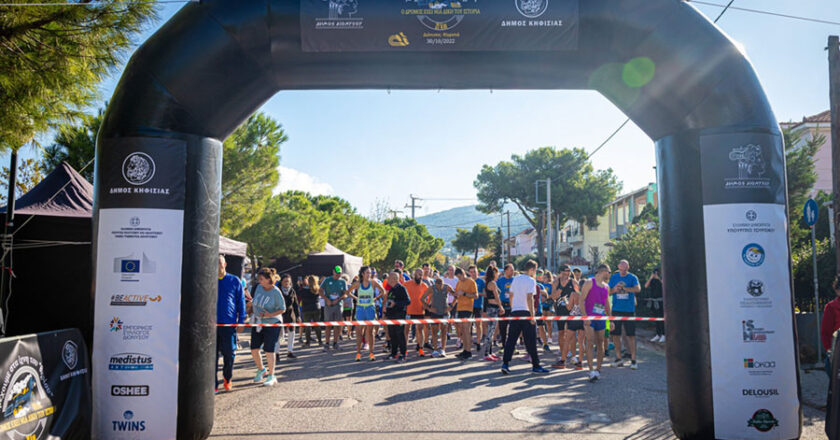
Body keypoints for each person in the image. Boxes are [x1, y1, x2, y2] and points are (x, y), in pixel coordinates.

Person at [500, 260, 549, 374]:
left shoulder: (516, 279)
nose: (535, 273)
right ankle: (536, 366)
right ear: (531, 269)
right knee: (530, 340)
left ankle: (505, 363)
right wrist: (532, 316)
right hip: (526, 312)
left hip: (515, 312)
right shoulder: (531, 280)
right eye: (535, 271)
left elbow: (511, 295)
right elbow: (530, 298)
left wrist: (513, 308)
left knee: (511, 340)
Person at [250, 268, 286, 386]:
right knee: (254, 348)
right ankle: (261, 369)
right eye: (258, 279)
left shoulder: (276, 292)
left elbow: (283, 309)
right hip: (258, 321)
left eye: (261, 279)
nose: (259, 281)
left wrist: (269, 314)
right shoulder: (259, 288)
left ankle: (272, 375)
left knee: (269, 349)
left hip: (272, 322)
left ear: (269, 279)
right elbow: (255, 301)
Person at [216, 255, 246, 393]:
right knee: (212, 356)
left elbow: (241, 302)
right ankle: (213, 382)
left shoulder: (234, 280)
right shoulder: (208, 279)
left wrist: (241, 321)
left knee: (229, 353)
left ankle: (227, 378)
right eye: (215, 263)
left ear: (225, 264)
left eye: (220, 263)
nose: (218, 266)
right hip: (211, 325)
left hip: (228, 325)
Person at [347, 266, 387, 361]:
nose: (369, 274)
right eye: (367, 273)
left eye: (370, 273)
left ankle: (371, 353)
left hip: (370, 308)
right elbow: (348, 292)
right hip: (360, 309)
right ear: (362, 274)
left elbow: (383, 291)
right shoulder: (357, 284)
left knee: (370, 332)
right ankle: (358, 353)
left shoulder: (373, 283)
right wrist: (356, 298)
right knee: (359, 332)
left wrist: (376, 299)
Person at [582, 264, 612, 382]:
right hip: (590, 317)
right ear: (603, 271)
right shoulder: (589, 282)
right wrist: (585, 317)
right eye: (609, 272)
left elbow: (607, 304)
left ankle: (598, 370)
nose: (609, 274)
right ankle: (590, 370)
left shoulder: (606, 286)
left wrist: (610, 319)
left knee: (601, 343)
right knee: (590, 342)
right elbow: (581, 300)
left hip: (601, 318)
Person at [609, 260, 640, 369]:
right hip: (616, 309)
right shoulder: (614, 277)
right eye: (622, 268)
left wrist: (625, 288)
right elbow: (608, 291)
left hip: (629, 310)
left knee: (630, 335)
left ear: (628, 268)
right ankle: (618, 358)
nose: (623, 270)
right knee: (615, 334)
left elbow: (638, 289)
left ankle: (634, 359)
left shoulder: (632, 277)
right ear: (618, 267)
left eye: (625, 268)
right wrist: (614, 289)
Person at [551, 265, 582, 369]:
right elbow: (553, 297)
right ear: (561, 272)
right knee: (561, 333)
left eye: (569, 271)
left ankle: (573, 356)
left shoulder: (573, 282)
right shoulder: (556, 282)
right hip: (560, 310)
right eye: (566, 270)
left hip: (571, 311)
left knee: (572, 334)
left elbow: (579, 295)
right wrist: (560, 288)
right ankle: (563, 353)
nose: (568, 272)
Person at [422, 277, 454, 357]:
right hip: (435, 312)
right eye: (437, 286)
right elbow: (422, 298)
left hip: (444, 312)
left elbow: (456, 296)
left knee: (444, 331)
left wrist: (451, 306)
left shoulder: (447, 287)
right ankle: (435, 349)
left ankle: (443, 349)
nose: (439, 287)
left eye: (440, 286)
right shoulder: (432, 288)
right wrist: (429, 307)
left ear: (443, 284)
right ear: (435, 284)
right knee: (434, 331)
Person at [384, 270, 411, 362]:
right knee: (392, 334)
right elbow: (389, 300)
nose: (387, 279)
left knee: (400, 334)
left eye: (389, 278)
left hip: (399, 315)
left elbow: (408, 301)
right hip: (391, 315)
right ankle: (393, 353)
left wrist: (396, 303)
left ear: (395, 279)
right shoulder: (391, 289)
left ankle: (403, 353)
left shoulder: (401, 288)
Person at [320, 266, 349, 351]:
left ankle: (335, 343)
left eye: (339, 274)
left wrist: (338, 299)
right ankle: (327, 343)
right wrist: (327, 299)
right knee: (328, 325)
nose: (338, 276)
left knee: (337, 325)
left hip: (338, 305)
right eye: (337, 274)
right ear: (333, 272)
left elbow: (345, 294)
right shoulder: (327, 280)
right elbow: (320, 290)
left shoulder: (342, 281)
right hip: (328, 305)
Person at [404, 268, 430, 356]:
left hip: (420, 311)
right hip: (409, 311)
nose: (420, 276)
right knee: (406, 330)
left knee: (420, 329)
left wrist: (426, 305)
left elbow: (430, 296)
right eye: (419, 274)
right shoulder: (407, 284)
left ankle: (420, 348)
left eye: (422, 274)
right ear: (414, 274)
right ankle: (405, 349)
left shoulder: (424, 285)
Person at [453, 267, 478, 360]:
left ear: (464, 273)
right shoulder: (459, 282)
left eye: (461, 276)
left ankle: (468, 351)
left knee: (467, 330)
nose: (460, 279)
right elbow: (456, 293)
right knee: (462, 330)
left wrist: (464, 294)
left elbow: (476, 295)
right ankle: (465, 350)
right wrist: (455, 294)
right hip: (460, 308)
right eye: (458, 277)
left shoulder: (471, 282)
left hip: (468, 309)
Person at [480, 265, 503, 361]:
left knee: (492, 331)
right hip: (493, 308)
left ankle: (489, 351)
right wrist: (501, 306)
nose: (498, 274)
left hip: (491, 308)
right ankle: (486, 353)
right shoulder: (492, 283)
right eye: (497, 273)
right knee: (490, 331)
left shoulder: (488, 283)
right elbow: (496, 297)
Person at [277, 274, 300, 359]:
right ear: (281, 282)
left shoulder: (292, 291)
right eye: (285, 281)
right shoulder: (277, 291)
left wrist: (298, 316)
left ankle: (290, 351)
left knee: (291, 334)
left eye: (288, 281)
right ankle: (276, 353)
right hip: (279, 315)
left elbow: (296, 304)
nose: (287, 283)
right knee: (279, 335)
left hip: (291, 315)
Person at [821, 275, 840, 376]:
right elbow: (825, 333)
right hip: (837, 355)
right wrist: (830, 353)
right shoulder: (831, 308)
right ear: (837, 290)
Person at [300, 275, 323, 347]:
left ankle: (308, 342)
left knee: (307, 326)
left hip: (306, 309)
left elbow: (300, 295)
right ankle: (320, 341)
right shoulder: (317, 289)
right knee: (317, 325)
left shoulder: (303, 290)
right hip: (316, 308)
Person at [496, 264, 515, 347]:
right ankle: (503, 345)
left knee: (513, 327)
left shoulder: (515, 280)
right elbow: (495, 292)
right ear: (506, 271)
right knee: (502, 327)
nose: (512, 272)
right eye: (511, 270)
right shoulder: (499, 281)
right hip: (503, 305)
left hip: (513, 305)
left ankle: (512, 345)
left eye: (513, 270)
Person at [644, 268, 665, 343]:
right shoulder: (652, 280)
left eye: (656, 272)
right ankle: (658, 334)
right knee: (655, 318)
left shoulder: (662, 278)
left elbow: (665, 285)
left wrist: (658, 278)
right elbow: (646, 286)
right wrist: (651, 278)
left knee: (661, 317)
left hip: (660, 301)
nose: (655, 274)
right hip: (653, 301)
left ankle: (663, 334)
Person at [469, 265, 485, 353]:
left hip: (478, 306)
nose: (473, 273)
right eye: (471, 272)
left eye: (474, 272)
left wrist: (477, 293)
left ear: (477, 272)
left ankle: (478, 342)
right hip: (468, 306)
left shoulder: (481, 281)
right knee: (469, 325)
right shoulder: (467, 281)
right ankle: (469, 342)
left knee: (478, 325)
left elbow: (485, 294)